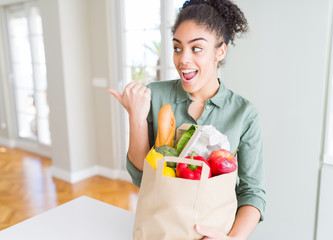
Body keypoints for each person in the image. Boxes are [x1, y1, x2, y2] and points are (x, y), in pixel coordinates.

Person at [108, 0, 266, 239]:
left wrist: (232, 239)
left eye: (197, 48)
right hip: (157, 230)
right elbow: (142, 175)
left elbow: (252, 192)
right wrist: (136, 118)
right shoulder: (156, 95)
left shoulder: (244, 113)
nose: (183, 60)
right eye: (178, 47)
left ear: (220, 51)